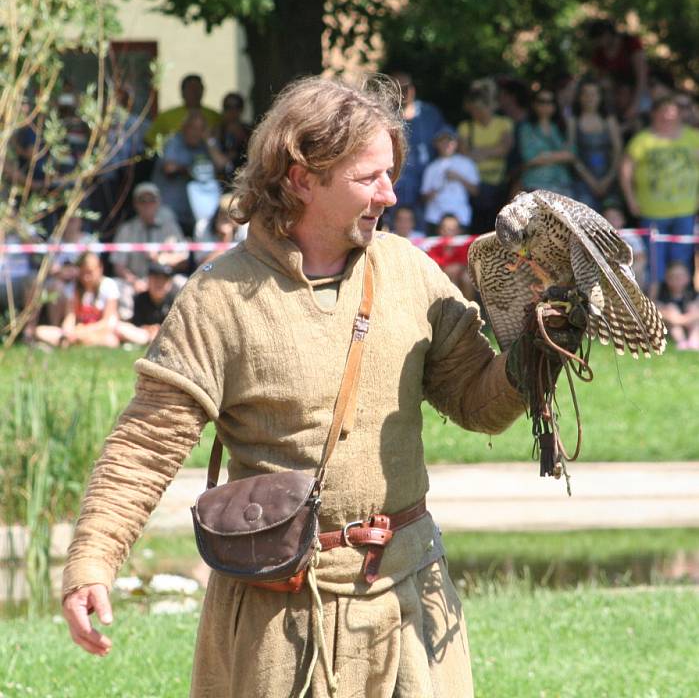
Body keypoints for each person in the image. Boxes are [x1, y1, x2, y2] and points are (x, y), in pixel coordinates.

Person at [61, 75, 583, 698]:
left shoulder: (409, 272)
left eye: (390, 173)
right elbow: (146, 445)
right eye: (369, 178)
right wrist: (92, 560)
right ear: (301, 177)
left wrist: (537, 347)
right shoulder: (219, 298)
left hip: (408, 600)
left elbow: (477, 399)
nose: (390, 193)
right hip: (278, 616)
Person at [619, 94, 699, 295]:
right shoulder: (642, 140)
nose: (668, 116)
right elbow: (626, 170)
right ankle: (656, 305)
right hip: (652, 210)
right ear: (654, 114)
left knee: (682, 258)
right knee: (655, 262)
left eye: (672, 111)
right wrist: (630, 199)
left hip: (686, 210)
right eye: (663, 111)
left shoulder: (692, 137)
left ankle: (683, 300)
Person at [151, 112, 228, 237]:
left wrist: (209, 140)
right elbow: (169, 168)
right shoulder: (174, 141)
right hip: (171, 210)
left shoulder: (206, 144)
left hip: (200, 213)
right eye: (193, 128)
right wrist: (191, 169)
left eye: (201, 129)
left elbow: (223, 166)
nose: (196, 133)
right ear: (184, 128)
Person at [388, 71, 445, 230]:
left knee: (423, 234)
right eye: (396, 88)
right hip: (397, 184)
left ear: (413, 89)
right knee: (395, 231)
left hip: (426, 185)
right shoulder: (385, 115)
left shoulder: (430, 113)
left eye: (405, 88)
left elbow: (446, 140)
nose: (402, 93)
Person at [458, 81, 512, 233]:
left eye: (479, 108)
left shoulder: (503, 123)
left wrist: (478, 152)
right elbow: (464, 154)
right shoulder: (465, 127)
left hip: (499, 184)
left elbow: (504, 149)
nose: (475, 113)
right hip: (476, 186)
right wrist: (492, 150)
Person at [34, 251, 120, 348]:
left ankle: (74, 343)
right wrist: (68, 332)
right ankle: (76, 342)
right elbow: (70, 316)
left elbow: (107, 322)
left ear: (100, 269)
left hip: (96, 331)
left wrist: (84, 331)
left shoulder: (109, 285)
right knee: (40, 331)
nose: (86, 277)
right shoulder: (74, 287)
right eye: (83, 273)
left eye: (90, 273)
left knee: (111, 341)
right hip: (77, 331)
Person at [566, 78, 622, 211]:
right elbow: (571, 154)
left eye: (594, 94)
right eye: (585, 94)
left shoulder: (609, 119)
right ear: (579, 97)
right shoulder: (573, 121)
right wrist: (590, 180)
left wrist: (609, 178)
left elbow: (618, 150)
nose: (589, 98)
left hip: (609, 179)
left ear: (600, 97)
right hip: (583, 180)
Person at [518, 87, 577, 197]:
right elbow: (529, 158)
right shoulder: (526, 128)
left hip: (563, 183)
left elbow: (572, 154)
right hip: (535, 184)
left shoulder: (561, 127)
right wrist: (560, 156)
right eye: (541, 101)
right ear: (534, 104)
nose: (546, 105)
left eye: (550, 102)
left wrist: (544, 155)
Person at [586, 18, 649, 121]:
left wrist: (635, 104)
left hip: (638, 88)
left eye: (600, 37)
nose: (599, 42)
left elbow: (642, 75)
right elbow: (600, 78)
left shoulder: (630, 42)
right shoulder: (599, 53)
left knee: (643, 110)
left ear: (608, 33)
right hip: (617, 91)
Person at [421, 127, 479, 235]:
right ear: (436, 144)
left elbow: (476, 191)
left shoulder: (467, 163)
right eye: (442, 141)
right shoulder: (431, 167)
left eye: (450, 141)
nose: (446, 144)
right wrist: (432, 193)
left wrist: (459, 178)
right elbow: (424, 197)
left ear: (456, 143)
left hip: (461, 216)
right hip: (436, 217)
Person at [144, 74, 221, 149]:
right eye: (190, 88)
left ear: (203, 90)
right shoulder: (166, 116)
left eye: (197, 88)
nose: (194, 92)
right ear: (182, 91)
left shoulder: (215, 116)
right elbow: (149, 140)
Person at [115, 262, 180, 346]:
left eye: (164, 280)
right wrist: (149, 328)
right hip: (144, 335)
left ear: (170, 283)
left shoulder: (174, 300)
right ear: (148, 280)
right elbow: (136, 324)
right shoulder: (140, 298)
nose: (159, 283)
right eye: (156, 279)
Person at [654, 261, 699, 350]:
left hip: (689, 322)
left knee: (693, 309)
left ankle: (694, 342)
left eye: (680, 276)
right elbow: (659, 311)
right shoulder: (663, 295)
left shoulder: (692, 294)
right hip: (672, 324)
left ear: (688, 278)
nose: (677, 279)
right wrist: (676, 318)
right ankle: (682, 342)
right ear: (667, 278)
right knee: (672, 310)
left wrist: (683, 319)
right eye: (673, 277)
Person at [214, 91, 253, 181]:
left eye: (237, 107)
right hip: (221, 180)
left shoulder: (249, 130)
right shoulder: (217, 131)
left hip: (244, 179)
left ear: (242, 109)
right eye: (228, 107)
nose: (232, 111)